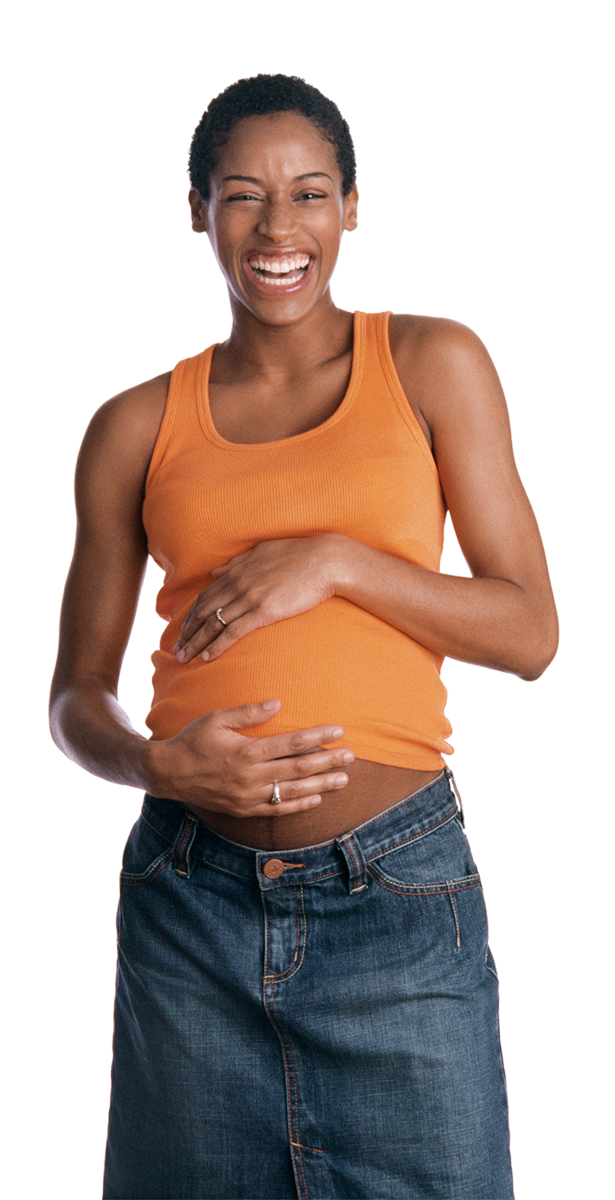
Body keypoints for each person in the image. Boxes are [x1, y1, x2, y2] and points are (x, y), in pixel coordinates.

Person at [50, 75, 558, 1200]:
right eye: (244, 195)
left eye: (309, 193)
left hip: (396, 897)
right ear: (200, 211)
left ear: (350, 209)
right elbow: (76, 697)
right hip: (191, 905)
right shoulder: (135, 425)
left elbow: (528, 631)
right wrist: (154, 764)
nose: (278, 228)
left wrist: (339, 561)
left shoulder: (429, 364)